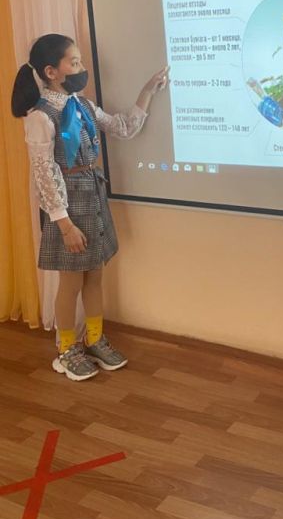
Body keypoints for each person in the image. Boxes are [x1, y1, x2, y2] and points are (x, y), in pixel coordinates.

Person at [11, 33, 168, 381]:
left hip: (93, 195)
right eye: (75, 62)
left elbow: (122, 127)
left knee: (95, 274)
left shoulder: (82, 105)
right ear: (51, 71)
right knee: (71, 282)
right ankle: (67, 349)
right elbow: (44, 173)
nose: (81, 67)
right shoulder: (40, 116)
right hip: (66, 207)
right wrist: (64, 225)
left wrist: (147, 91)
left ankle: (94, 339)